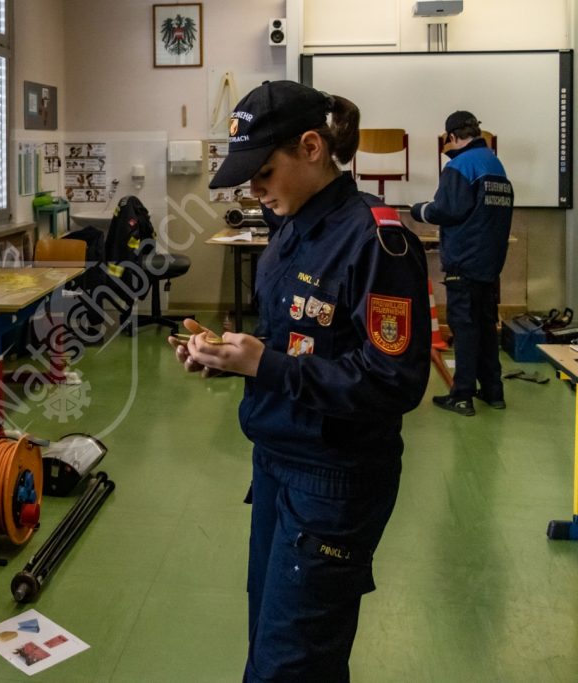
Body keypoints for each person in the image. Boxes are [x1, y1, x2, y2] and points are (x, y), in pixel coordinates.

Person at [169, 80, 430, 681]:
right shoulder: (287, 231)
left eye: (263, 172)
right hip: (276, 459)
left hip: (334, 479)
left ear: (311, 147)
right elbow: (289, 343)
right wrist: (223, 356)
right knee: (272, 644)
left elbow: (394, 381)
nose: (254, 190)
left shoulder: (377, 241)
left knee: (291, 666)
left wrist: (266, 364)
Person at [411, 111, 514, 416]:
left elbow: (448, 210)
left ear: (452, 137)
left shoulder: (459, 166)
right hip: (490, 262)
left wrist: (419, 210)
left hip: (464, 262)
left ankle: (462, 396)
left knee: (465, 328)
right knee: (484, 326)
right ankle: (493, 391)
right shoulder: (495, 164)